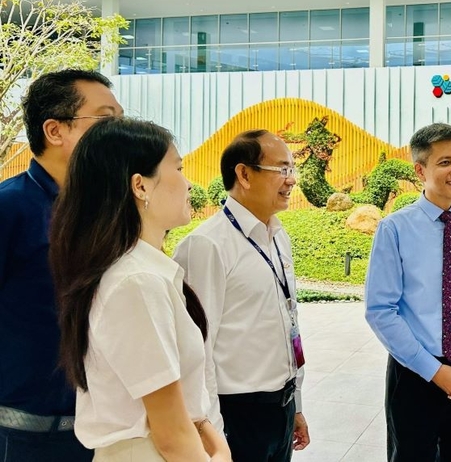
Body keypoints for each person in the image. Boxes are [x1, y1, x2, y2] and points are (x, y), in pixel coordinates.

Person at [49, 117, 231, 461]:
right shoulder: (137, 282)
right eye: (178, 168)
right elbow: (170, 434)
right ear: (140, 186)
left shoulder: (142, 272)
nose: (189, 183)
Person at [365, 122, 451, 462]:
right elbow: (380, 310)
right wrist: (432, 370)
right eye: (445, 162)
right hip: (416, 374)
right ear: (420, 170)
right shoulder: (395, 229)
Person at [0, 69, 123, 461]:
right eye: (106, 121)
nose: (119, 134)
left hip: (103, 430)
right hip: (24, 435)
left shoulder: (110, 213)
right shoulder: (10, 208)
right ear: (55, 131)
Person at [173, 129, 310, 462]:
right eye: (282, 169)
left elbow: (289, 323)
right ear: (244, 174)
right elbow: (197, 350)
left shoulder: (278, 236)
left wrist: (296, 406)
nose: (291, 180)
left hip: (281, 405)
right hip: (236, 416)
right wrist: (212, 434)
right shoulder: (207, 245)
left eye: (292, 169)